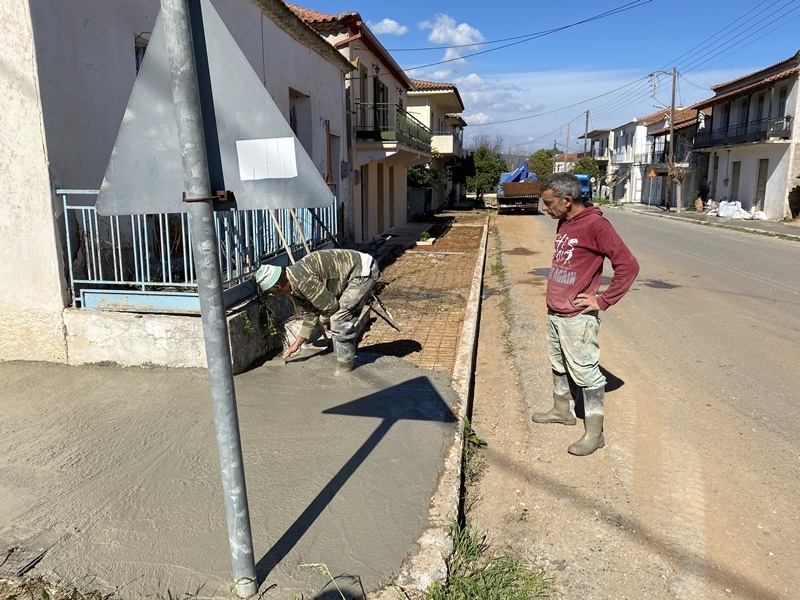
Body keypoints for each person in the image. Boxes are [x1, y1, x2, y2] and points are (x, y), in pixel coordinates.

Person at [533, 172, 639, 456]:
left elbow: (628, 265)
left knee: (587, 374)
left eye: (548, 203)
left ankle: (595, 434)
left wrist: (603, 301)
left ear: (567, 200)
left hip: (577, 318)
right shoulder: (564, 222)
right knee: (558, 364)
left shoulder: (596, 225)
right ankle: (562, 411)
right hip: (556, 312)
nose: (544, 209)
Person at [255, 249, 380, 375]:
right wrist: (296, 344)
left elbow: (331, 306)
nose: (274, 295)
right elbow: (311, 313)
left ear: (278, 287)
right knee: (338, 320)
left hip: (363, 272)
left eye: (272, 293)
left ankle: (345, 368)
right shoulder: (293, 283)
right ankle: (340, 354)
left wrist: (323, 320)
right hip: (350, 273)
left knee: (339, 319)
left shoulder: (302, 281)